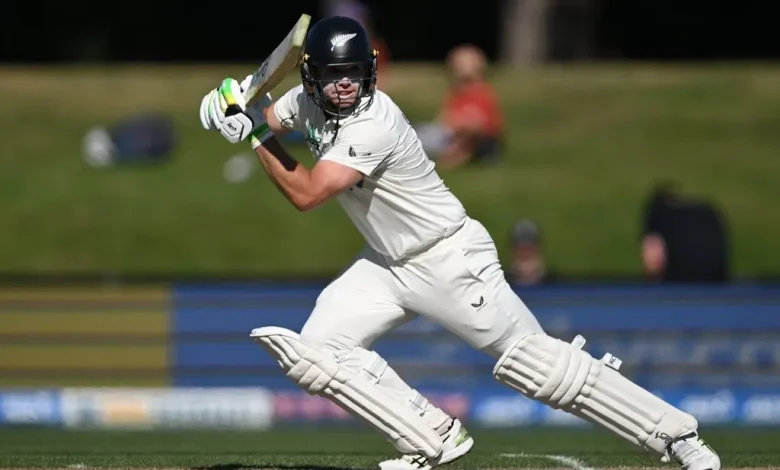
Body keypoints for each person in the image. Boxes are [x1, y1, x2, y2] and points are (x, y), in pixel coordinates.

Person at [198, 16, 720, 470]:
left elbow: (307, 193)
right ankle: (431, 438)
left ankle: (678, 437)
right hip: (386, 263)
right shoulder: (304, 101)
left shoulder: (373, 122)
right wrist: (228, 108)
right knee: (318, 351)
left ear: (370, 72)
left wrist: (252, 134)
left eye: (354, 74)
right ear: (312, 78)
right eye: (334, 77)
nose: (344, 87)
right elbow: (262, 115)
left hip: (447, 256)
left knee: (536, 367)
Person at [415, 44, 504, 169]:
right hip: (447, 135)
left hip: (462, 139)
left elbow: (480, 127)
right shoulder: (456, 93)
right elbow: (444, 118)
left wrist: (457, 152)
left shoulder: (482, 94)